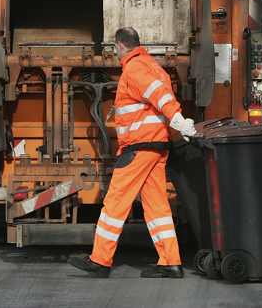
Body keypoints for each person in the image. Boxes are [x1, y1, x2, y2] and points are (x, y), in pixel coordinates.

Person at [68, 27, 196, 278]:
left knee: (115, 203)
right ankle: (171, 262)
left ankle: (100, 259)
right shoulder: (154, 66)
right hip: (156, 147)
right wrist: (175, 124)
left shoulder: (135, 69)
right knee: (157, 206)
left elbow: (159, 97)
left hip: (138, 147)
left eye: (115, 48)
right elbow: (162, 94)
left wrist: (179, 120)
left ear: (120, 46)